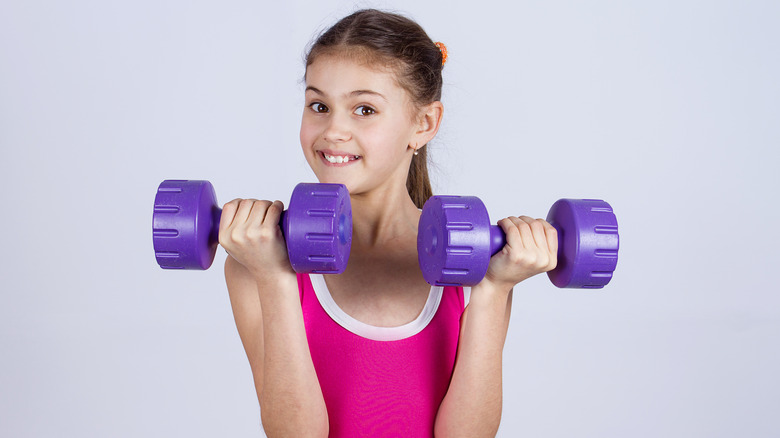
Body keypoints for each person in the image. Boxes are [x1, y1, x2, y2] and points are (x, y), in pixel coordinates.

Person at [217, 9, 558, 438]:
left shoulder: (476, 270)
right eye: (319, 105)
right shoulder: (256, 262)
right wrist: (274, 276)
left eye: (364, 109)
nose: (334, 130)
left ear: (424, 123)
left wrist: (495, 288)